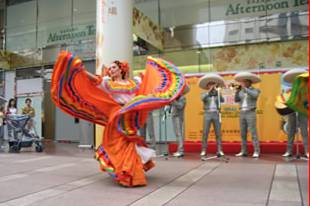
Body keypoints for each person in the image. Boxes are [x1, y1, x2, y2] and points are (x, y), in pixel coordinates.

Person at [51, 51, 186, 187]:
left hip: (131, 116)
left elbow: (148, 83)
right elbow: (93, 79)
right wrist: (79, 69)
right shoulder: (108, 83)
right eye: (109, 68)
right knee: (120, 144)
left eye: (114, 67)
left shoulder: (135, 83)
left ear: (122, 69)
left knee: (130, 144)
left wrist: (156, 66)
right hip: (116, 117)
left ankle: (129, 171)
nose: (111, 70)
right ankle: (128, 173)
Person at [281, 69, 308, 158]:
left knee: (304, 130)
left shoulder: (306, 89)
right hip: (292, 111)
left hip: (302, 111)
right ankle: (289, 151)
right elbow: (285, 100)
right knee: (291, 130)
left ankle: (307, 151)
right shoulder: (289, 90)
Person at [234, 72, 261, 158]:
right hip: (242, 112)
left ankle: (256, 151)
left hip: (250, 112)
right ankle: (243, 151)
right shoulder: (241, 90)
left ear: (250, 82)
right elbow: (236, 100)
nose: (243, 83)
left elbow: (255, 96)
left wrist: (245, 89)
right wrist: (237, 92)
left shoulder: (255, 90)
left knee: (253, 132)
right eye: (243, 82)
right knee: (243, 133)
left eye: (245, 82)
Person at [198, 74, 225, 158]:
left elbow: (222, 100)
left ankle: (220, 150)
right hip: (207, 113)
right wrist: (209, 91)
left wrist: (218, 93)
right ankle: (203, 150)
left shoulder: (217, 93)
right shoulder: (204, 93)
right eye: (210, 84)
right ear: (207, 86)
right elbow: (202, 98)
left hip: (216, 113)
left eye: (213, 84)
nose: (212, 86)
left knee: (218, 133)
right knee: (205, 132)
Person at [170, 92, 187, 158]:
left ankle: (181, 151)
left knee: (179, 133)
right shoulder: (175, 97)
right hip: (174, 116)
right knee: (177, 133)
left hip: (178, 117)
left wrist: (173, 101)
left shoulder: (182, 97)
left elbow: (180, 106)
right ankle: (179, 150)